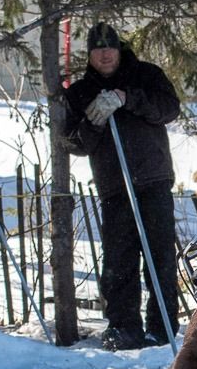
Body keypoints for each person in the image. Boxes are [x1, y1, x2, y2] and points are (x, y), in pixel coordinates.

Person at [63, 22, 181, 351]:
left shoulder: (146, 75)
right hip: (114, 187)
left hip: (153, 180)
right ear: (90, 55)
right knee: (119, 260)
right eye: (98, 49)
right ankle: (124, 328)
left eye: (110, 48)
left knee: (159, 257)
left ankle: (162, 328)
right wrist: (93, 120)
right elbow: (73, 142)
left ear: (119, 49)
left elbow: (169, 109)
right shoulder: (79, 92)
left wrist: (127, 99)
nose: (105, 54)